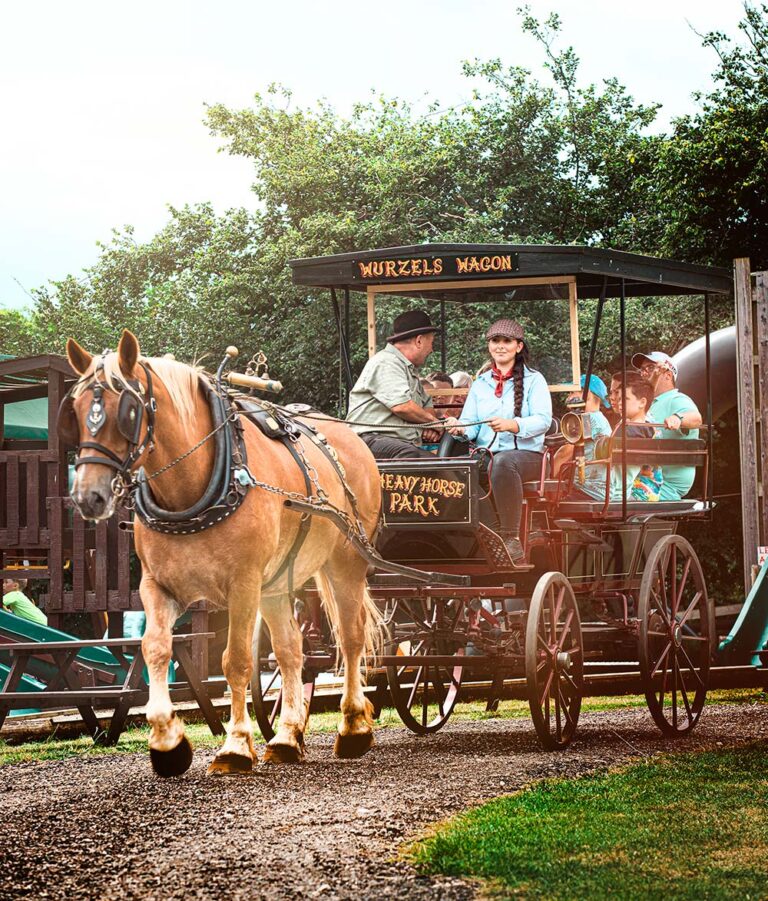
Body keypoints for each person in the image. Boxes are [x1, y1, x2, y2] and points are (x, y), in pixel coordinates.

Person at [450, 319, 552, 562]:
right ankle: (486, 533)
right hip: (488, 456)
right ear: (489, 346)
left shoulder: (535, 380)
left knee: (503, 463)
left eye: (507, 341)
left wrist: (513, 425)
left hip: (528, 459)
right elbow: (471, 425)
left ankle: (510, 538)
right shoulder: (480, 385)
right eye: (495, 341)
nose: (500, 346)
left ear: (518, 346)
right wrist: (458, 428)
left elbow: (543, 420)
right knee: (455, 471)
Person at [347, 310, 443, 459]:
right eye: (431, 343)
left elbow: (426, 404)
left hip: (395, 443)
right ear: (419, 341)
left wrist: (429, 424)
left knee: (437, 463)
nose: (432, 349)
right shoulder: (386, 362)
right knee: (415, 457)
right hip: (369, 440)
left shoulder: (407, 369)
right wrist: (433, 423)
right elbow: (402, 406)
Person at [576, 372, 659, 502]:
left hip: (609, 493)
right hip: (622, 492)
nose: (619, 403)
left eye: (624, 399)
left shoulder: (630, 431)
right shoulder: (646, 429)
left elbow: (603, 452)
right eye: (619, 399)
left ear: (642, 402)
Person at [632, 351, 703, 500]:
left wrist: (678, 418)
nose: (644, 373)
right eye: (642, 370)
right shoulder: (648, 403)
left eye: (651, 368)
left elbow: (696, 419)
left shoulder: (676, 399)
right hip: (643, 478)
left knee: (614, 494)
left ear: (668, 375)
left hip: (664, 485)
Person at [551, 374, 612, 498]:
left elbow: (565, 453)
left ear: (587, 393)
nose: (568, 397)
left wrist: (547, 480)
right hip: (595, 488)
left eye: (572, 392)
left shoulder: (588, 419)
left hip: (588, 490)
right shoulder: (599, 418)